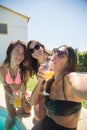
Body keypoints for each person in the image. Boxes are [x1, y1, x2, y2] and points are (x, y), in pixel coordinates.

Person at [30, 45, 87, 130]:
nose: (55, 55)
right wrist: (40, 81)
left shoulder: (69, 78)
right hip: (47, 122)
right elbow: (32, 102)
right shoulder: (49, 81)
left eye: (61, 54)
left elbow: (80, 81)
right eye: (55, 51)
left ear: (68, 63)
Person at [0, 40, 32, 130]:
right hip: (9, 93)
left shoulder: (25, 70)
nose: (20, 56)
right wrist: (11, 95)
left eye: (22, 53)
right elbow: (5, 85)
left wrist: (21, 96)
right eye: (17, 52)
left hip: (21, 94)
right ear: (10, 52)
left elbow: (24, 86)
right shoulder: (2, 68)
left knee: (27, 111)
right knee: (11, 116)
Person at [27, 40, 51, 123]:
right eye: (31, 50)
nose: (36, 51)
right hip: (44, 90)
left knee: (40, 116)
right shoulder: (36, 64)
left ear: (42, 47)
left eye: (37, 47)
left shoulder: (52, 61)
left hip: (55, 92)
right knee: (36, 115)